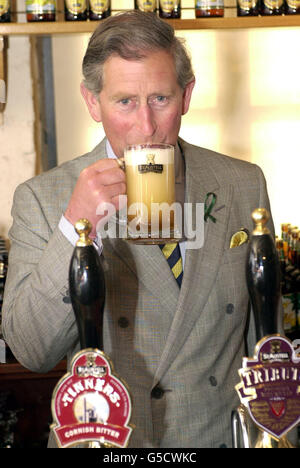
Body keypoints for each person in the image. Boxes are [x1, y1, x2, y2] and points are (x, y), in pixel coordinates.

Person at [2, 10, 274, 448]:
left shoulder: (243, 183)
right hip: (114, 442)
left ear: (186, 96)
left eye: (161, 99)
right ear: (93, 103)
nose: (146, 127)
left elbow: (267, 342)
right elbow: (33, 351)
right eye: (125, 101)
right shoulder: (44, 196)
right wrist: (75, 226)